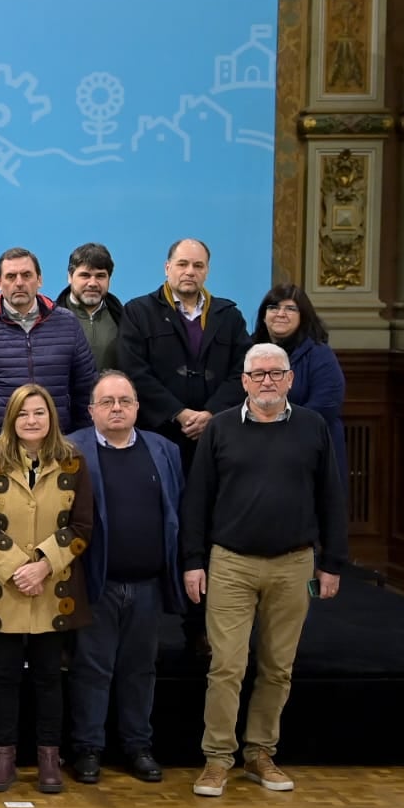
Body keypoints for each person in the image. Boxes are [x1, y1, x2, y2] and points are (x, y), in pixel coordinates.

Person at [182, 343, 348, 798]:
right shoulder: (219, 430)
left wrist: (332, 562)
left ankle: (260, 753)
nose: (268, 381)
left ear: (290, 379)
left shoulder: (313, 427)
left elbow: (332, 499)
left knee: (278, 667)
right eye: (258, 374)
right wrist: (193, 561)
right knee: (227, 666)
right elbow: (196, 500)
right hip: (230, 563)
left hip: (295, 564)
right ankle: (217, 759)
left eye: (276, 373)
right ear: (245, 381)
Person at [117, 237, 250, 656]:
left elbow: (240, 370)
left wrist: (209, 414)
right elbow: (134, 370)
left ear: (207, 270)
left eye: (197, 265)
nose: (189, 272)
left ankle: (199, 627)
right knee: (155, 528)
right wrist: (179, 414)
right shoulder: (139, 311)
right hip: (159, 440)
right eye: (182, 264)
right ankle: (144, 630)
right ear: (167, 267)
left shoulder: (228, 315)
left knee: (205, 530)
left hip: (214, 440)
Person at [0, 384, 94, 795]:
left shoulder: (74, 461)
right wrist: (16, 569)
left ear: (51, 418)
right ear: (12, 420)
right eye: (24, 414)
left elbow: (82, 527)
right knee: (3, 675)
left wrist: (42, 566)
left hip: (53, 587)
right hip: (3, 589)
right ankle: (3, 758)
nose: (32, 421)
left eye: (39, 413)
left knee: (47, 677)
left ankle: (48, 759)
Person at [67, 371, 184, 785]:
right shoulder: (72, 449)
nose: (117, 408)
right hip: (96, 584)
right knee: (92, 670)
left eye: (125, 401)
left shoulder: (164, 450)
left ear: (137, 406)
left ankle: (137, 746)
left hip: (148, 584)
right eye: (107, 402)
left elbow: (177, 514)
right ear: (91, 410)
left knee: (140, 670)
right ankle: (88, 749)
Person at [0, 247, 97, 461]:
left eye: (26, 275)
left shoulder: (66, 323)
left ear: (39, 280)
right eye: (11, 276)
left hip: (57, 447)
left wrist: (82, 447)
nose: (19, 282)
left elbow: (86, 389)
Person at [253, 283, 346, 484]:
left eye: (290, 308)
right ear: (263, 315)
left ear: (303, 316)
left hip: (308, 449)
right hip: (256, 448)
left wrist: (276, 429)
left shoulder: (319, 353)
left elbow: (326, 405)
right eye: (274, 307)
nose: (280, 313)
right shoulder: (250, 351)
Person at [55, 242, 124, 372]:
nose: (92, 283)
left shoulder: (125, 319)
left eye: (100, 276)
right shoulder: (49, 319)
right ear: (69, 277)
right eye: (85, 275)